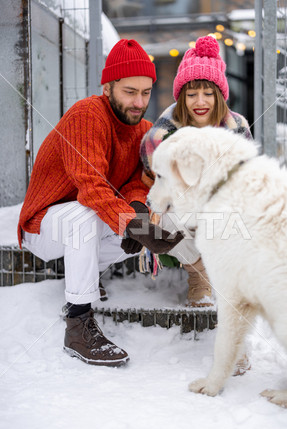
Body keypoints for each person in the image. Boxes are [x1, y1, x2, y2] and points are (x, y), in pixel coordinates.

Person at [17, 39, 183, 368]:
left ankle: (86, 278)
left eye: (146, 92)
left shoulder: (145, 130)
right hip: (44, 225)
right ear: (108, 87)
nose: (139, 102)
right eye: (129, 91)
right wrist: (134, 223)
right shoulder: (87, 114)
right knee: (88, 213)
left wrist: (138, 213)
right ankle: (78, 324)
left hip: (88, 219)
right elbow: (90, 186)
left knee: (129, 227)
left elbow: (139, 181)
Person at [140, 35, 252, 311]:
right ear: (181, 97)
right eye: (191, 94)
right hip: (183, 209)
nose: (199, 102)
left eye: (208, 93)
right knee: (160, 219)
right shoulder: (167, 128)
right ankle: (199, 274)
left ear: (220, 94)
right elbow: (151, 166)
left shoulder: (236, 126)